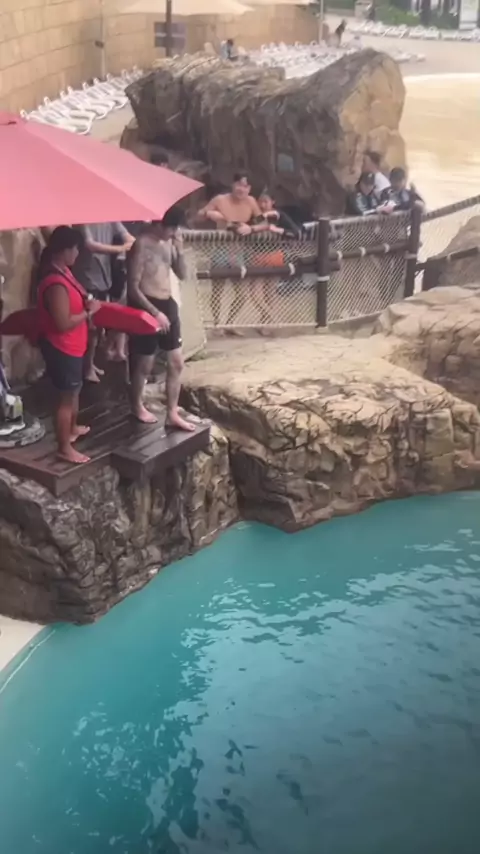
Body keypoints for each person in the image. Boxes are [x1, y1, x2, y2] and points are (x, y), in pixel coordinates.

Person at [37, 227, 101, 464]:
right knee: (66, 397)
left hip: (74, 344)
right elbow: (62, 323)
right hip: (61, 346)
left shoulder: (64, 272)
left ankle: (72, 428)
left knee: (74, 390)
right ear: (63, 250)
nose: (77, 253)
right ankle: (64, 447)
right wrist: (88, 312)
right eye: (75, 249)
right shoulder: (55, 283)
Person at [127, 208, 194, 430]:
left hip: (168, 302)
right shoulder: (142, 244)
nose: (173, 233)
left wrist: (179, 250)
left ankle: (172, 412)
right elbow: (133, 287)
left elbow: (182, 274)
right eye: (171, 228)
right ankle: (136, 404)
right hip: (146, 304)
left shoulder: (169, 242)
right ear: (159, 224)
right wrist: (155, 313)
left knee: (176, 362)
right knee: (145, 363)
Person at [199, 173, 270, 324]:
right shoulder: (220, 199)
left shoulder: (251, 202)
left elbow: (264, 224)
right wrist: (208, 213)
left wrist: (251, 228)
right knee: (217, 291)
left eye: (245, 186)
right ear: (232, 184)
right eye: (239, 184)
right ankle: (217, 324)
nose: (241, 189)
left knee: (242, 294)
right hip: (220, 250)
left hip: (238, 252)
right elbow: (198, 216)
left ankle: (229, 323)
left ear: (249, 189)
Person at [73, 222, 134, 379]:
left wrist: (128, 244)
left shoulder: (111, 219)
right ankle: (85, 368)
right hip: (85, 278)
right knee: (89, 327)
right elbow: (90, 245)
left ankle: (89, 363)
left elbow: (129, 238)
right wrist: (120, 249)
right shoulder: (82, 220)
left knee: (97, 326)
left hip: (103, 278)